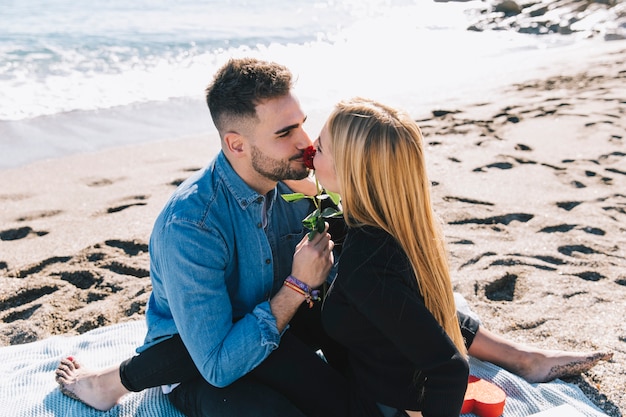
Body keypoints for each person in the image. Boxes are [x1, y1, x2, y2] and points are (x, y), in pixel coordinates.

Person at [55, 60, 612, 416]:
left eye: (303, 124)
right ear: (236, 145)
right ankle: (109, 386)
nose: (303, 143)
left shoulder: (299, 177)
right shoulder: (191, 227)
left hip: (288, 325)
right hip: (205, 357)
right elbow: (219, 359)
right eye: (286, 133)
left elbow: (381, 276)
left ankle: (521, 356)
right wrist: (298, 285)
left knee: (400, 302)